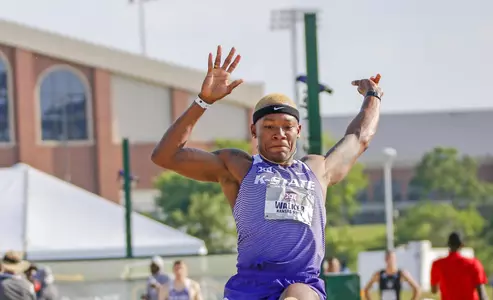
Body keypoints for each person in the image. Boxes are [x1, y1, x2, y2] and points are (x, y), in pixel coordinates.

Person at [151, 45, 383, 300]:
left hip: (301, 283)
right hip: (249, 287)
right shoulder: (239, 166)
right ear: (254, 131)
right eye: (269, 126)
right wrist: (203, 101)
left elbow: (359, 137)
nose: (279, 133)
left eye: (287, 127)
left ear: (298, 131)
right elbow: (165, 156)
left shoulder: (317, 170)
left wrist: (373, 95)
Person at [430, 232, 489, 300]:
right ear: (462, 245)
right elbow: (482, 295)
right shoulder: (473, 264)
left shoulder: (437, 264)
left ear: (448, 245)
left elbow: (434, 290)